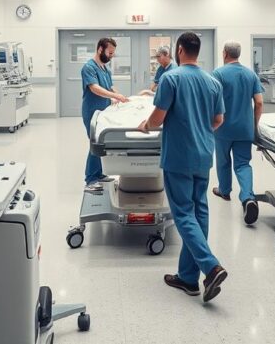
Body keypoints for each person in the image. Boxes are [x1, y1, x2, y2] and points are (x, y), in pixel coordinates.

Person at [138, 31, 228, 303]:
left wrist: (146, 125)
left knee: (184, 213)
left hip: (179, 156)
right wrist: (200, 131)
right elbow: (218, 120)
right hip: (203, 155)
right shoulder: (213, 82)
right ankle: (188, 278)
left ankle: (211, 267)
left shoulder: (172, 79)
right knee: (200, 211)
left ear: (179, 51)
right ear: (197, 51)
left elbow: (157, 118)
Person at [211, 41, 265, 226]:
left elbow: (212, 101)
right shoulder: (251, 74)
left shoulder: (218, 74)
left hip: (223, 127)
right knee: (243, 164)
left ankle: (224, 191)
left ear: (225, 53)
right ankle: (248, 197)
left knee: (223, 161)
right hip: (244, 128)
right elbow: (259, 102)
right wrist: (254, 125)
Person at [81, 37, 129, 190]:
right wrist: (115, 96)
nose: (111, 56)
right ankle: (90, 179)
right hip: (92, 111)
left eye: (113, 53)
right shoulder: (89, 67)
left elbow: (110, 87)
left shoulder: (105, 69)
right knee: (95, 143)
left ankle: (99, 174)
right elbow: (95, 88)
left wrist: (120, 97)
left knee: (102, 143)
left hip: (104, 111)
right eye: (110, 53)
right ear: (100, 49)